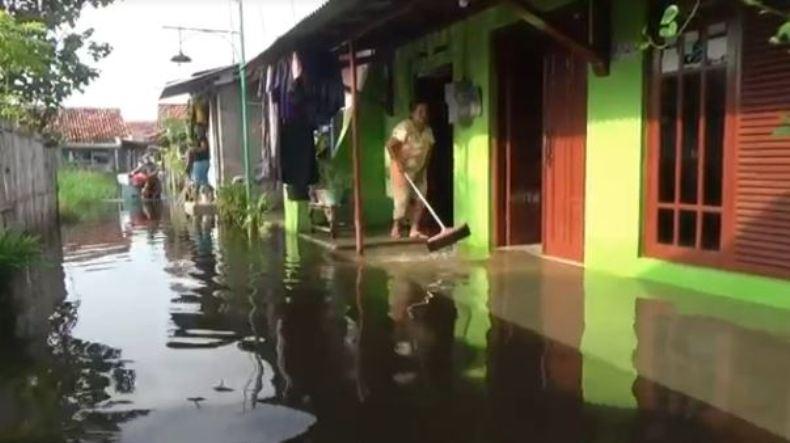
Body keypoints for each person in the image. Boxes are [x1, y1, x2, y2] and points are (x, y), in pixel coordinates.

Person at [386, 101, 435, 240]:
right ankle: (396, 228)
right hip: (401, 167)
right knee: (402, 199)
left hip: (418, 169)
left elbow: (429, 151)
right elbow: (390, 145)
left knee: (421, 199)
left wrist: (423, 168)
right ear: (412, 114)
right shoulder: (405, 127)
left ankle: (414, 229)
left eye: (425, 112)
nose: (423, 115)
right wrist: (399, 163)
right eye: (420, 111)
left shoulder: (428, 131)